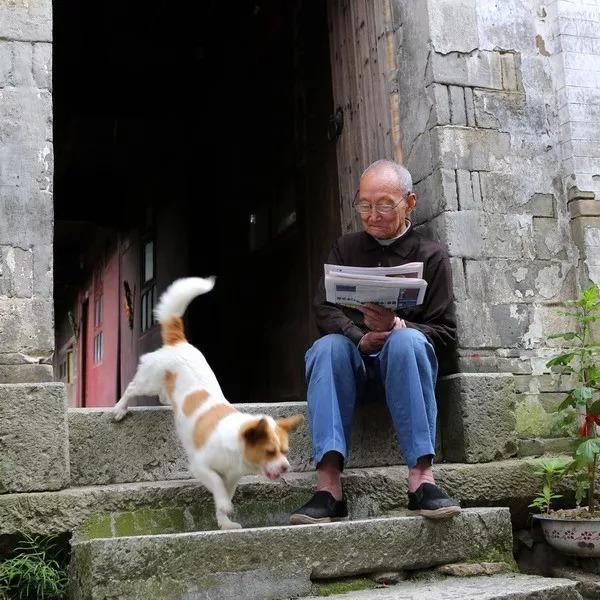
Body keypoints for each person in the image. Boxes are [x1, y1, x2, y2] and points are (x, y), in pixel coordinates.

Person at [289, 159, 460, 524]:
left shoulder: (430, 256)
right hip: (354, 366)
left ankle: (421, 481)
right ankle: (328, 488)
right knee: (327, 347)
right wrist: (360, 336)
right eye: (364, 204)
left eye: (384, 204)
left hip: (405, 372)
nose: (372, 214)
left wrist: (398, 325)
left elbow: (444, 332)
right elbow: (324, 307)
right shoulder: (346, 248)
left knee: (407, 342)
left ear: (409, 203)